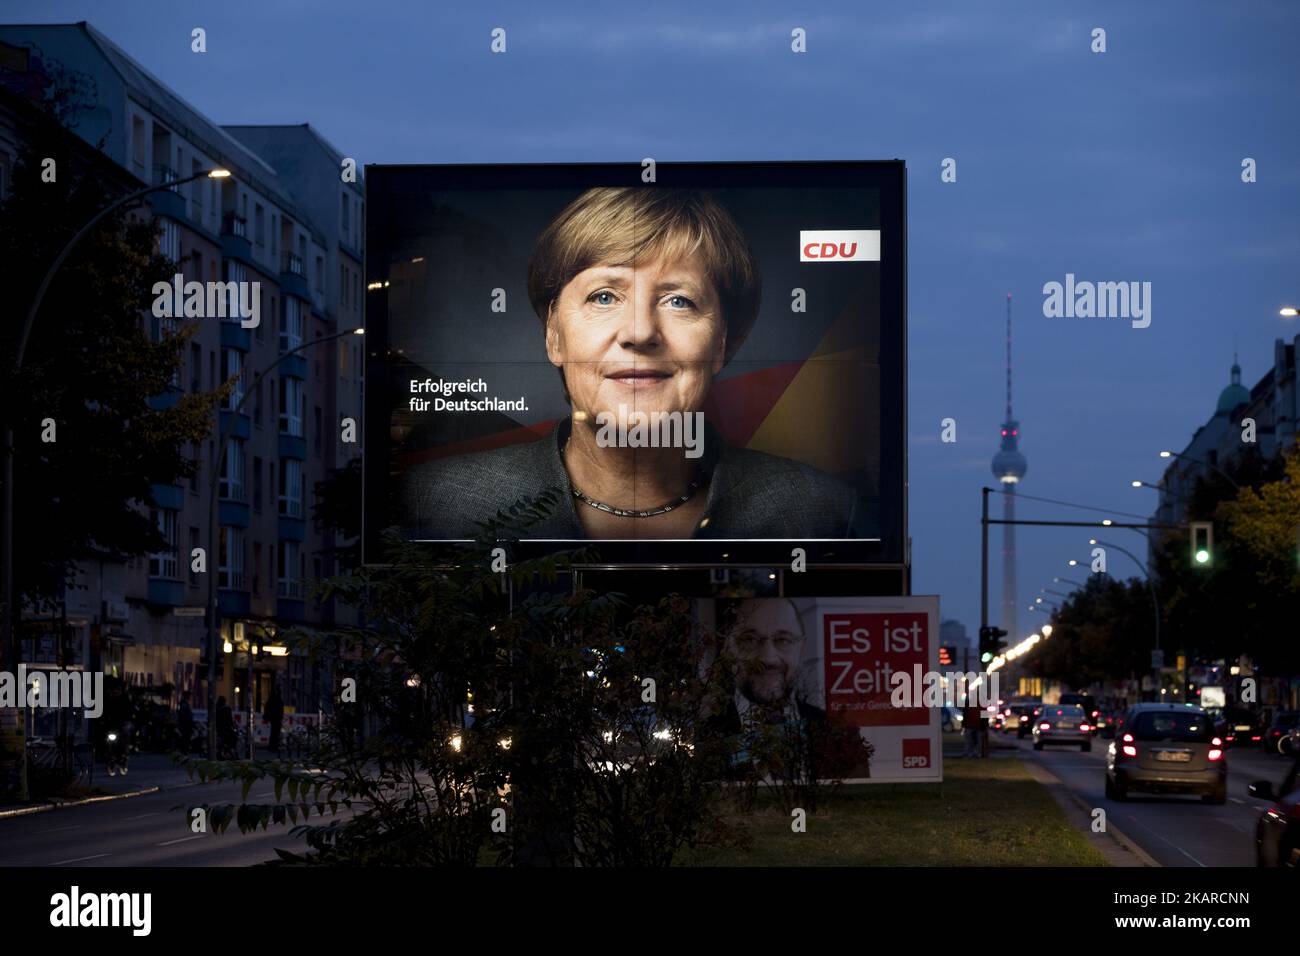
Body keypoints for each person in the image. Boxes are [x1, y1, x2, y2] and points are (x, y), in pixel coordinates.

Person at [402, 187, 866, 541]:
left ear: (724, 342)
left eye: (679, 301)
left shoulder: (823, 511)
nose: (640, 332)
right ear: (554, 336)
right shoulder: (437, 502)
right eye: (604, 296)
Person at [713, 597, 825, 732]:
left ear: (802, 648)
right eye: (750, 640)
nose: (768, 659)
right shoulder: (704, 735)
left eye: (783, 640)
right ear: (728, 647)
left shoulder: (831, 728)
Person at [265, 682, 284, 756]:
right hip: (276, 717)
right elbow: (278, 708)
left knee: (274, 732)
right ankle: (273, 746)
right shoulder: (276, 698)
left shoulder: (273, 698)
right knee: (275, 733)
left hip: (275, 717)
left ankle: (272, 746)